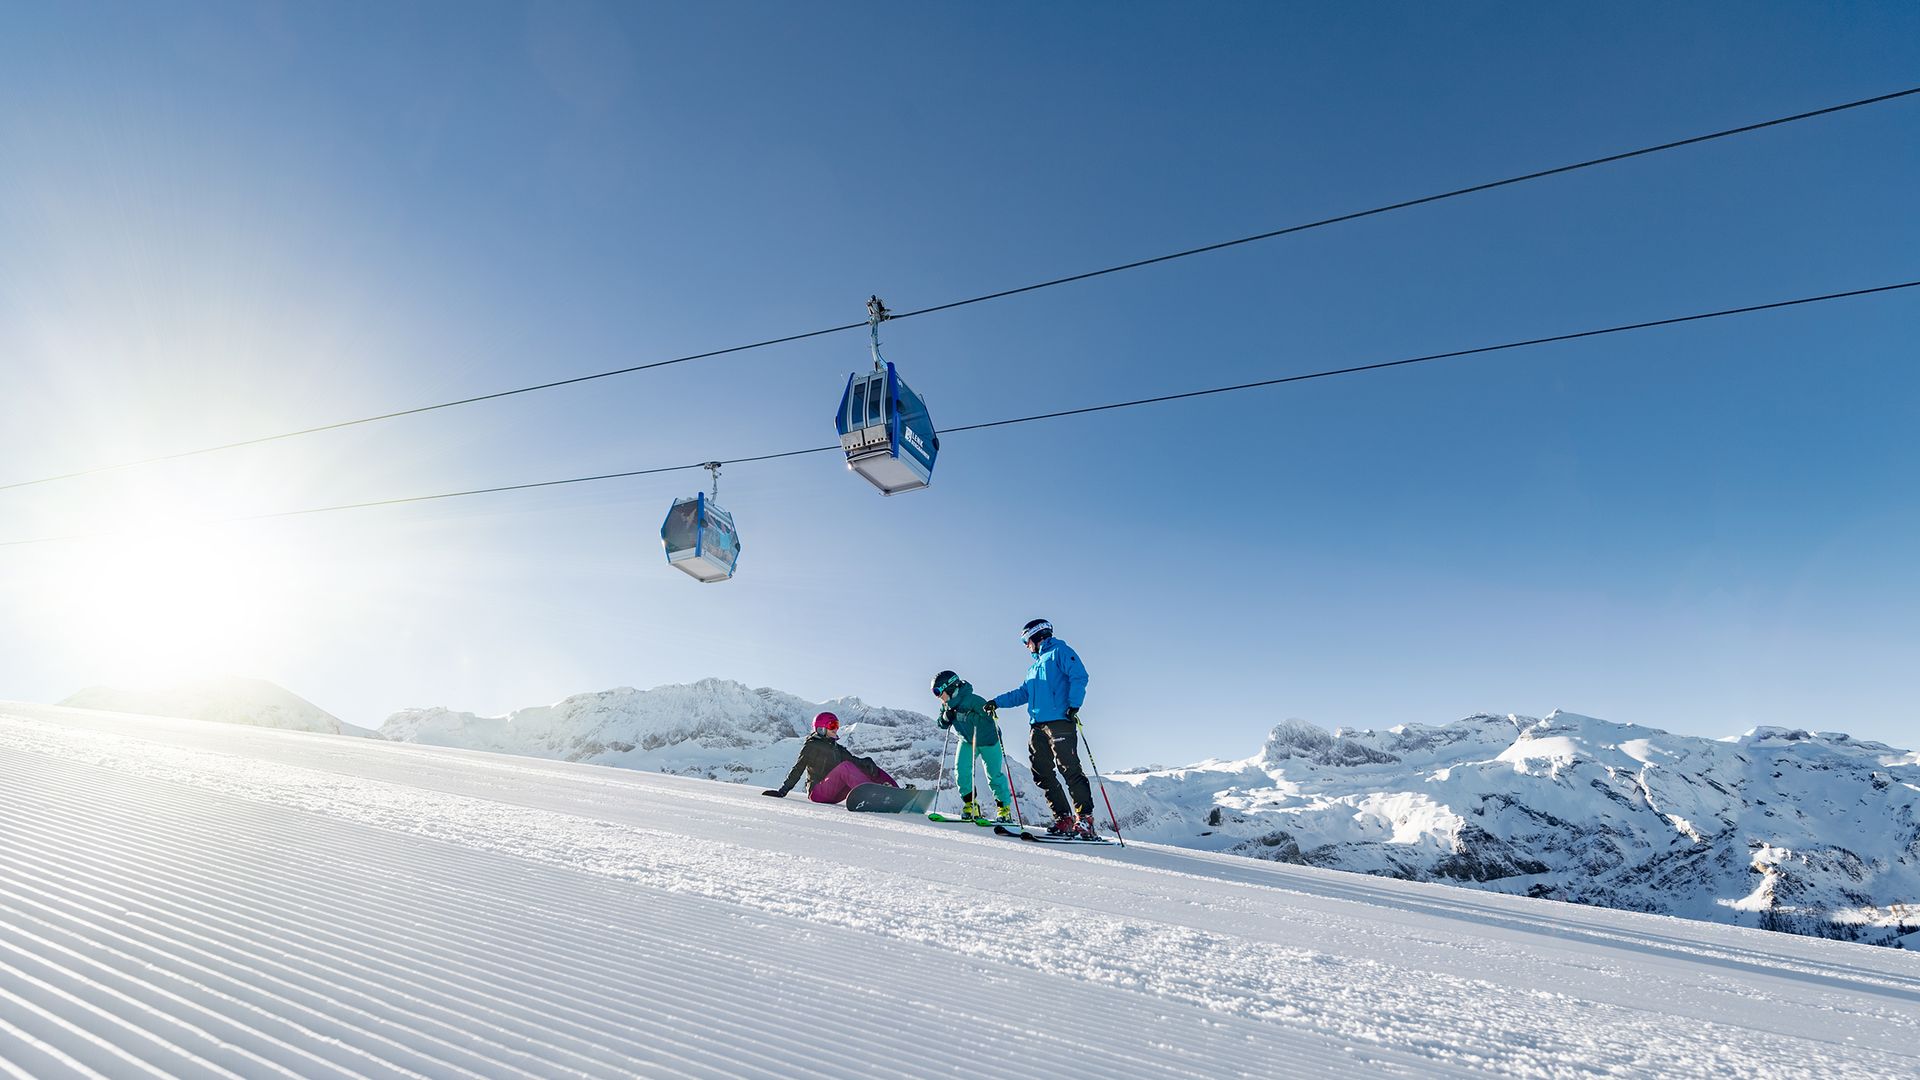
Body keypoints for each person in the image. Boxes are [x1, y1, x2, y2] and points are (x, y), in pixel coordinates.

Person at [987, 619, 1097, 838]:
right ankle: (1063, 818)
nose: (1026, 646)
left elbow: (1079, 675)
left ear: (1036, 637)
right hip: (1036, 725)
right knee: (1042, 772)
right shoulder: (1034, 667)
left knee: (1069, 769)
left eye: (1026, 641)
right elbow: (1023, 693)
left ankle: (1085, 820)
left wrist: (1074, 704)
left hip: (1059, 720)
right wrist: (997, 702)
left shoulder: (1060, 652)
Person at [931, 669, 1013, 822]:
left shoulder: (974, 700)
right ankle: (971, 805)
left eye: (938, 692)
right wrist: (945, 717)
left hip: (989, 741)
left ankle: (1004, 809)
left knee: (993, 775)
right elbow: (941, 724)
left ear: (949, 687)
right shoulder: (946, 705)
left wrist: (964, 716)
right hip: (968, 741)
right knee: (961, 771)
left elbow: (989, 721)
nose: (937, 697)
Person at [762, 712, 897, 804]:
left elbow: (855, 762)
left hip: (834, 793)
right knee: (845, 767)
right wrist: (782, 791)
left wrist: (866, 763)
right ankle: (872, 797)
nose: (836, 729)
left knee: (868, 767)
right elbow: (798, 768)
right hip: (817, 793)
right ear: (821, 728)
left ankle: (896, 794)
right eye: (832, 726)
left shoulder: (837, 748)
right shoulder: (812, 746)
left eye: (837, 725)